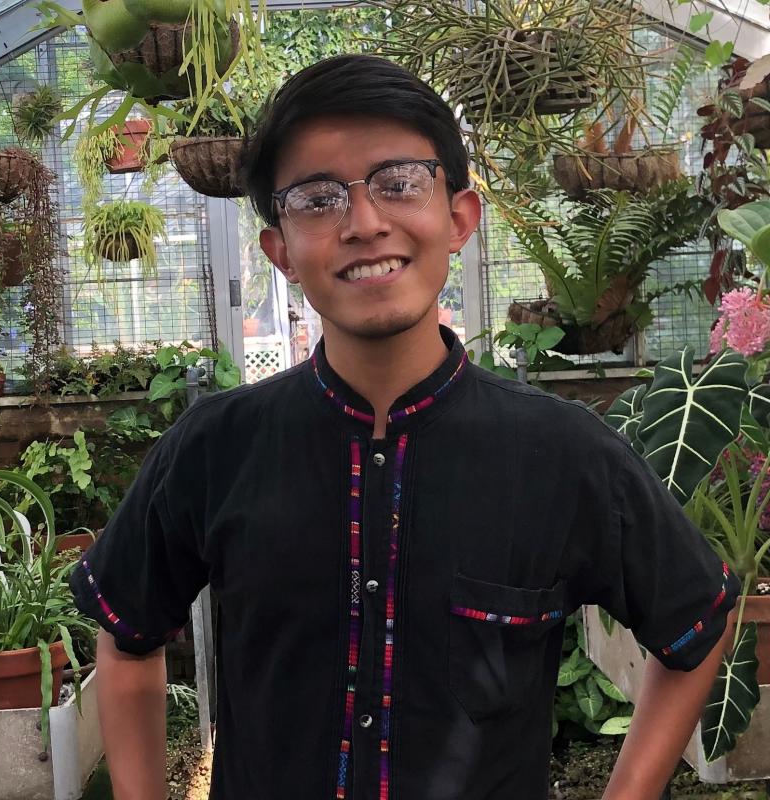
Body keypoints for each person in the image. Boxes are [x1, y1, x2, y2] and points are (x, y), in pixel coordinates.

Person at [70, 54, 739, 800]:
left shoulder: (566, 455)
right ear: (280, 251)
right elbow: (128, 637)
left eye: (398, 183)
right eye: (318, 198)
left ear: (459, 218)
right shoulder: (215, 448)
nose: (364, 223)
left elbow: (697, 623)